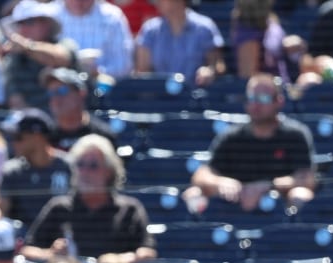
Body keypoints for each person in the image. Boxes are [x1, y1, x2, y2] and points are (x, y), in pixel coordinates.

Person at [182, 74, 316, 212]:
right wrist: (221, 182)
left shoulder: (295, 135)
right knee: (193, 194)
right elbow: (201, 175)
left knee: (301, 195)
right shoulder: (231, 136)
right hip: (234, 206)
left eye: (263, 98)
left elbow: (306, 180)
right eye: (251, 98)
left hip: (279, 207)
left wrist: (268, 186)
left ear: (279, 102)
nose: (256, 105)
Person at [23, 133, 154, 263]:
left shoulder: (129, 209)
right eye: (80, 164)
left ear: (109, 171)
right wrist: (51, 254)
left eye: (93, 166)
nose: (85, 172)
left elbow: (148, 253)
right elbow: (27, 250)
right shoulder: (59, 207)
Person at [0, 107, 71, 228]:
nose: (13, 143)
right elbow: (2, 209)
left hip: (63, 239)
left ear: (37, 137)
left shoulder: (68, 166)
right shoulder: (12, 171)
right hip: (23, 241)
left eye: (18, 137)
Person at [2, 0, 78, 111]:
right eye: (19, 24)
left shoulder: (65, 44)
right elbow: (16, 100)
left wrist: (27, 46)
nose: (23, 29)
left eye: (29, 22)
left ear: (47, 24)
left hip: (68, 117)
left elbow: (61, 58)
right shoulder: (14, 59)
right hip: (34, 122)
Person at [134, 0, 226, 85]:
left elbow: (217, 65)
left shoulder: (204, 28)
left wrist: (209, 71)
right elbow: (142, 71)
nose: (158, 2)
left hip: (195, 97)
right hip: (159, 98)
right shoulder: (150, 30)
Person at [44, 67, 117, 152]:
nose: (56, 98)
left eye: (62, 91)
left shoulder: (103, 136)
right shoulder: (45, 138)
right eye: (51, 93)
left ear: (81, 93)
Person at [57, 0, 134, 79]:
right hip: (55, 85)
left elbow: (123, 65)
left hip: (102, 87)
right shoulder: (48, 14)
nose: (78, 2)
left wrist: (98, 73)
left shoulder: (112, 16)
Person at [231, 0, 289, 79]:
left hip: (281, 84)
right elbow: (248, 75)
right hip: (267, 88)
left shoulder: (270, 19)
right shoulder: (247, 32)